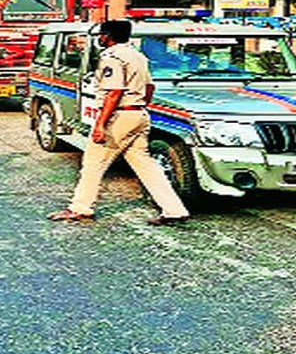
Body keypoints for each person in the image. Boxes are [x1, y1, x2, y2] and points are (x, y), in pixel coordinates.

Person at [47, 20, 191, 226]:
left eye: (101, 35)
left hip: (119, 117)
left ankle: (80, 208)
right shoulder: (138, 56)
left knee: (93, 163)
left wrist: (100, 124)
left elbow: (114, 92)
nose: (99, 38)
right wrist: (137, 106)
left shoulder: (112, 57)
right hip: (138, 114)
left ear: (108, 36)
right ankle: (174, 210)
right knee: (145, 165)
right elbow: (149, 87)